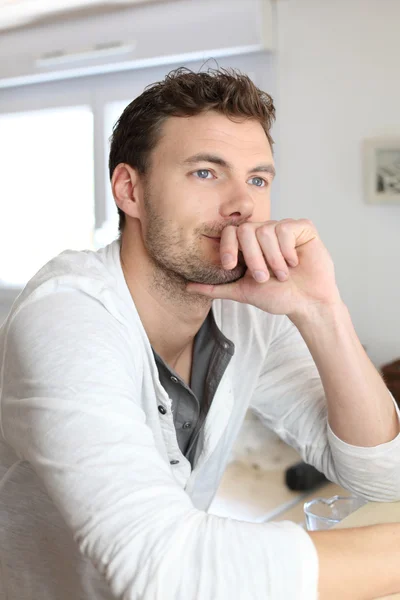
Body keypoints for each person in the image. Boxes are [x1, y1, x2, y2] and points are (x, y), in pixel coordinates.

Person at [0, 67, 400, 600]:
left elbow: (382, 478)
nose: (243, 204)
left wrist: (323, 309)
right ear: (130, 190)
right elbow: (164, 568)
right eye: (207, 173)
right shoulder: (66, 314)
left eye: (258, 179)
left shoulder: (249, 312)